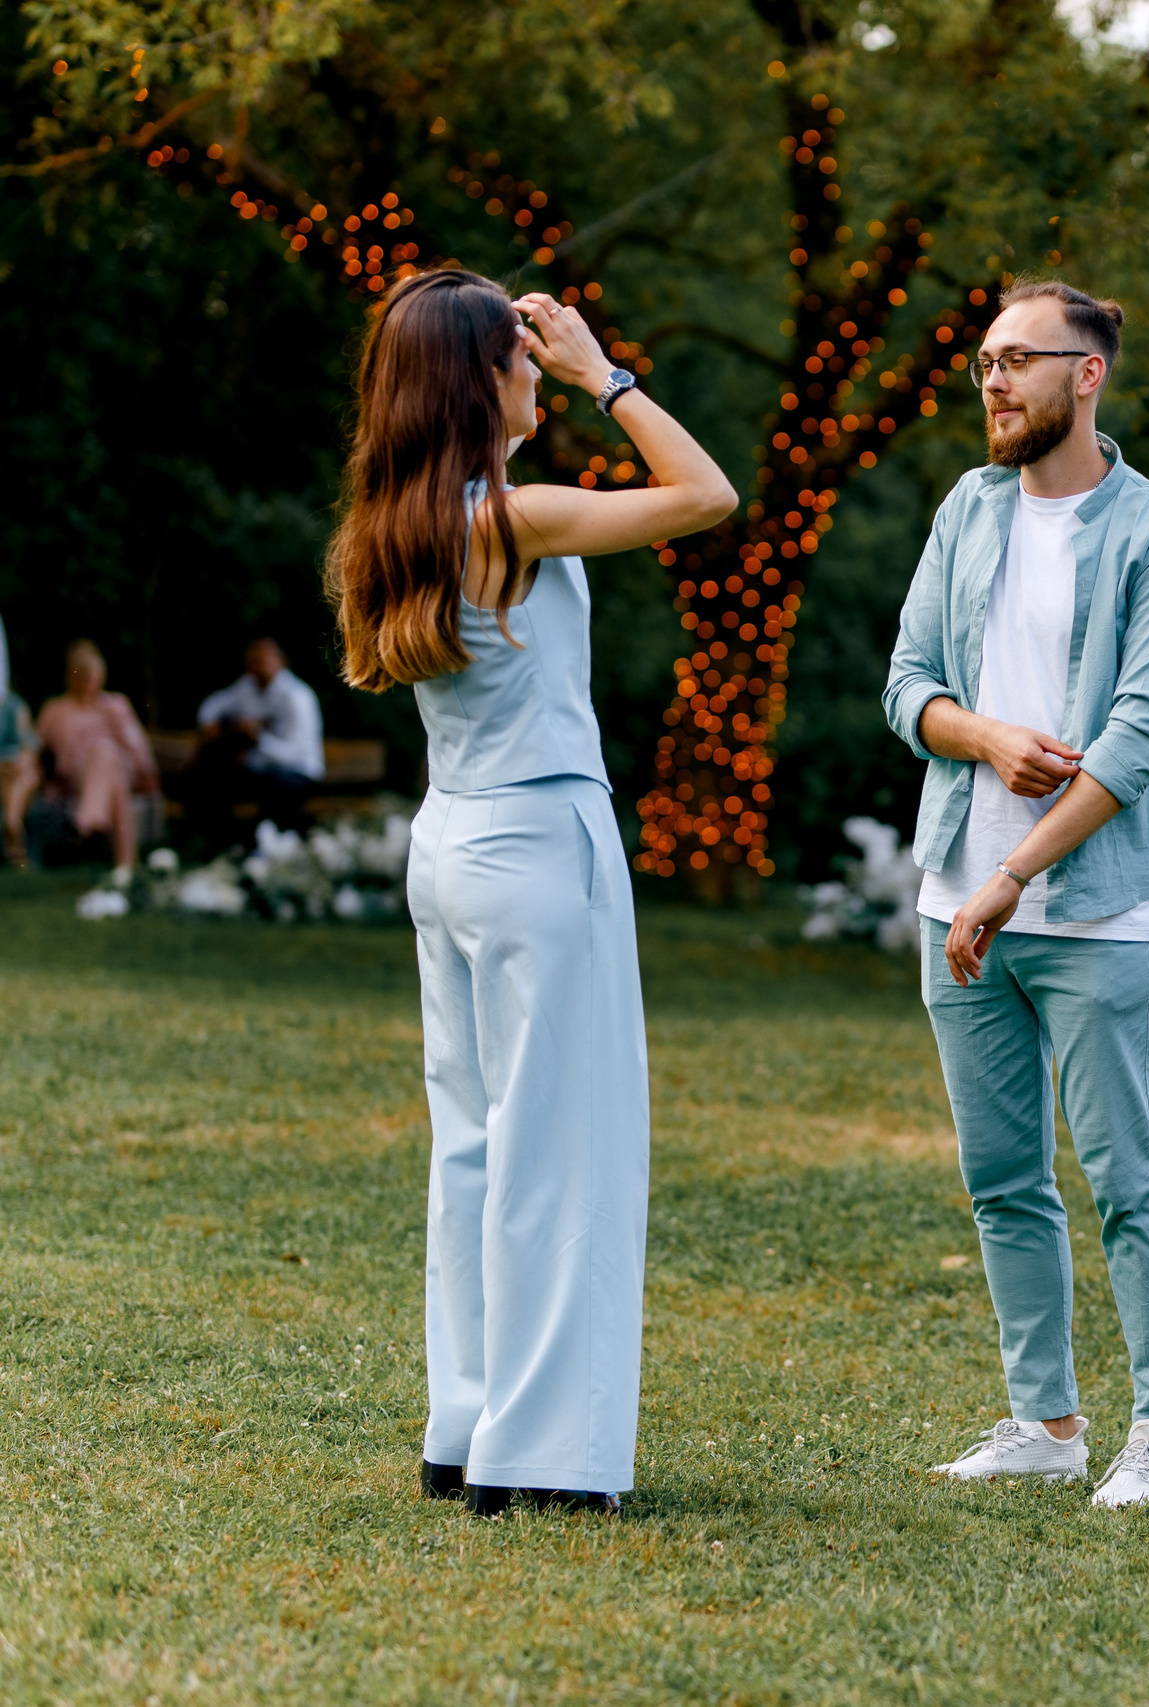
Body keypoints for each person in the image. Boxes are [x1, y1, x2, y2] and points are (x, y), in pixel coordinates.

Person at [326, 268, 735, 1517]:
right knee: (564, 1151)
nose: (534, 369)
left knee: (475, 1147)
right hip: (540, 841)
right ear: (474, 380)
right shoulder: (507, 517)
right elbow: (707, 495)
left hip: (451, 843)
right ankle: (545, 1457)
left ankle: (467, 1422)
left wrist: (551, 362)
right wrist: (603, 374)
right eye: (518, 354)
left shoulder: (390, 525)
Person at [884, 279, 1149, 1509]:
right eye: (983, 361)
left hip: (1092, 912)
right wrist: (981, 741)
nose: (994, 380)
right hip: (953, 899)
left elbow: (1140, 737)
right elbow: (905, 685)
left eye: (1020, 359)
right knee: (1001, 1179)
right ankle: (1046, 1422)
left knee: (1128, 1177)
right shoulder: (967, 510)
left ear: (1088, 375)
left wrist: (1015, 874)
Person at [35, 640, 160, 882]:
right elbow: (36, 751)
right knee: (111, 771)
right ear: (69, 676)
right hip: (74, 778)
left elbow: (138, 748)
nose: (85, 682)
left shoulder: (115, 705)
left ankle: (86, 821)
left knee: (105, 753)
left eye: (90, 675)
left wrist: (148, 773)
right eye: (79, 675)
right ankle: (125, 868)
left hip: (120, 767)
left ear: (101, 675)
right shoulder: (55, 710)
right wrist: (42, 781)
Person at [179, 638, 326, 840]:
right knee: (210, 777)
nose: (255, 666)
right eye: (252, 661)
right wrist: (210, 723)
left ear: (279, 661)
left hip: (299, 773)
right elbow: (214, 704)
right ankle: (214, 839)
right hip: (263, 771)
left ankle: (259, 842)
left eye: (261, 661)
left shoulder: (296, 698)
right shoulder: (247, 686)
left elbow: (295, 756)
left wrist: (258, 738)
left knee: (267, 789)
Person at [0, 616, 32, 869]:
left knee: (23, 771)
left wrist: (21, 758)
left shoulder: (13, 705)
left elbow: (28, 741)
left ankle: (12, 824)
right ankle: (14, 840)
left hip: (13, 770)